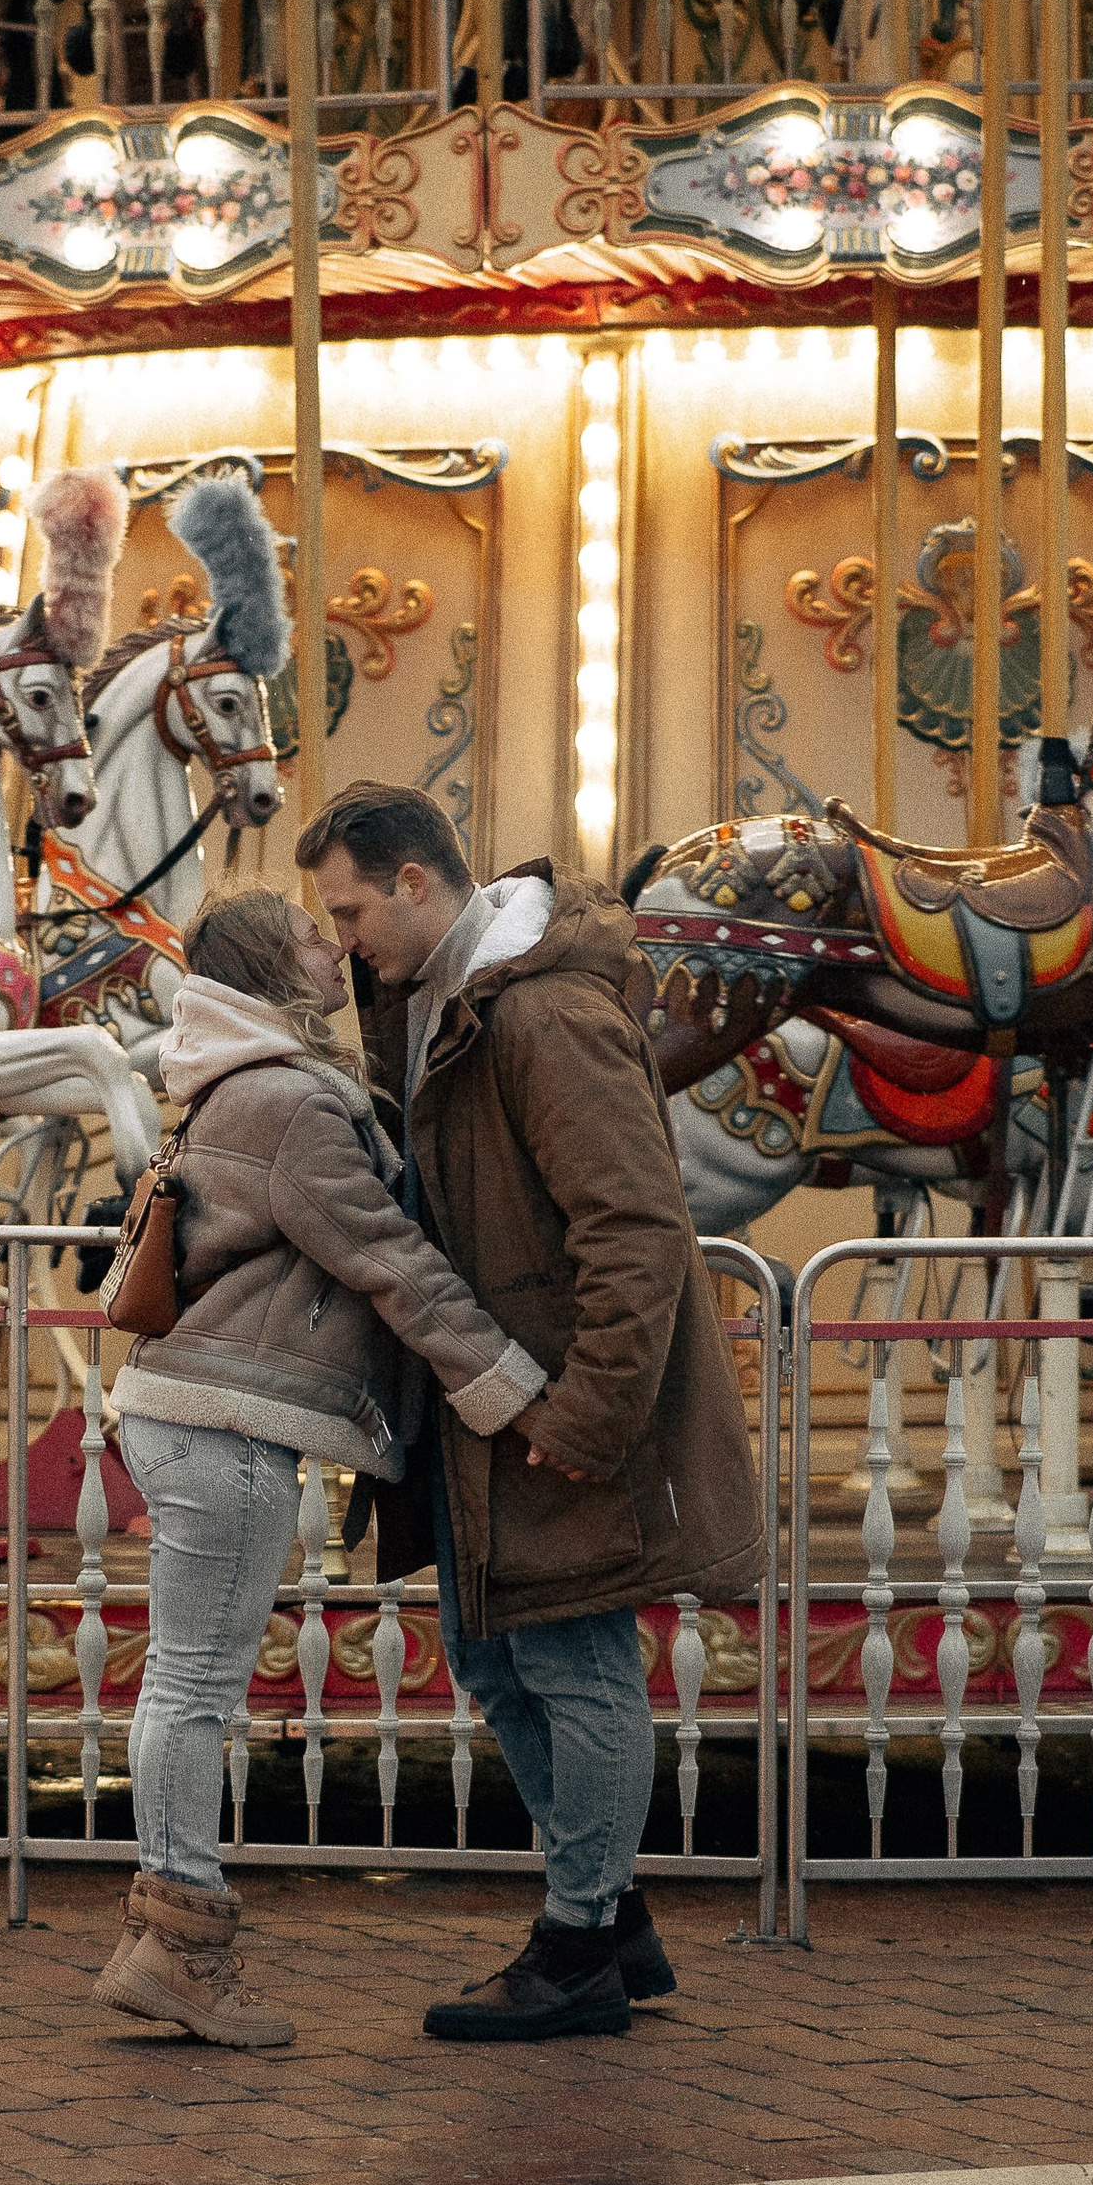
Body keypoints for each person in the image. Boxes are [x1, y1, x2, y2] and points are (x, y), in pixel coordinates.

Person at [295, 781, 764, 2044]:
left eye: (349, 910)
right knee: (498, 1657)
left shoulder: (541, 1010)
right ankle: (603, 1914)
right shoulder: (441, 1000)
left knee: (573, 1661)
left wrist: (594, 1411)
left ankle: (577, 1943)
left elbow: (634, 1225)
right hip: (494, 1404)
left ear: (411, 882)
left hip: (557, 1407)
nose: (344, 941)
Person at [96, 885, 548, 2049]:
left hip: (191, 1408)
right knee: (195, 1693)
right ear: (272, 974)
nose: (335, 949)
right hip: (227, 1421)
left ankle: (162, 1935)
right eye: (312, 937)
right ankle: (183, 1953)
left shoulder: (229, 1081)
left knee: (178, 1689)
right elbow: (390, 1259)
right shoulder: (291, 1101)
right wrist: (502, 1379)